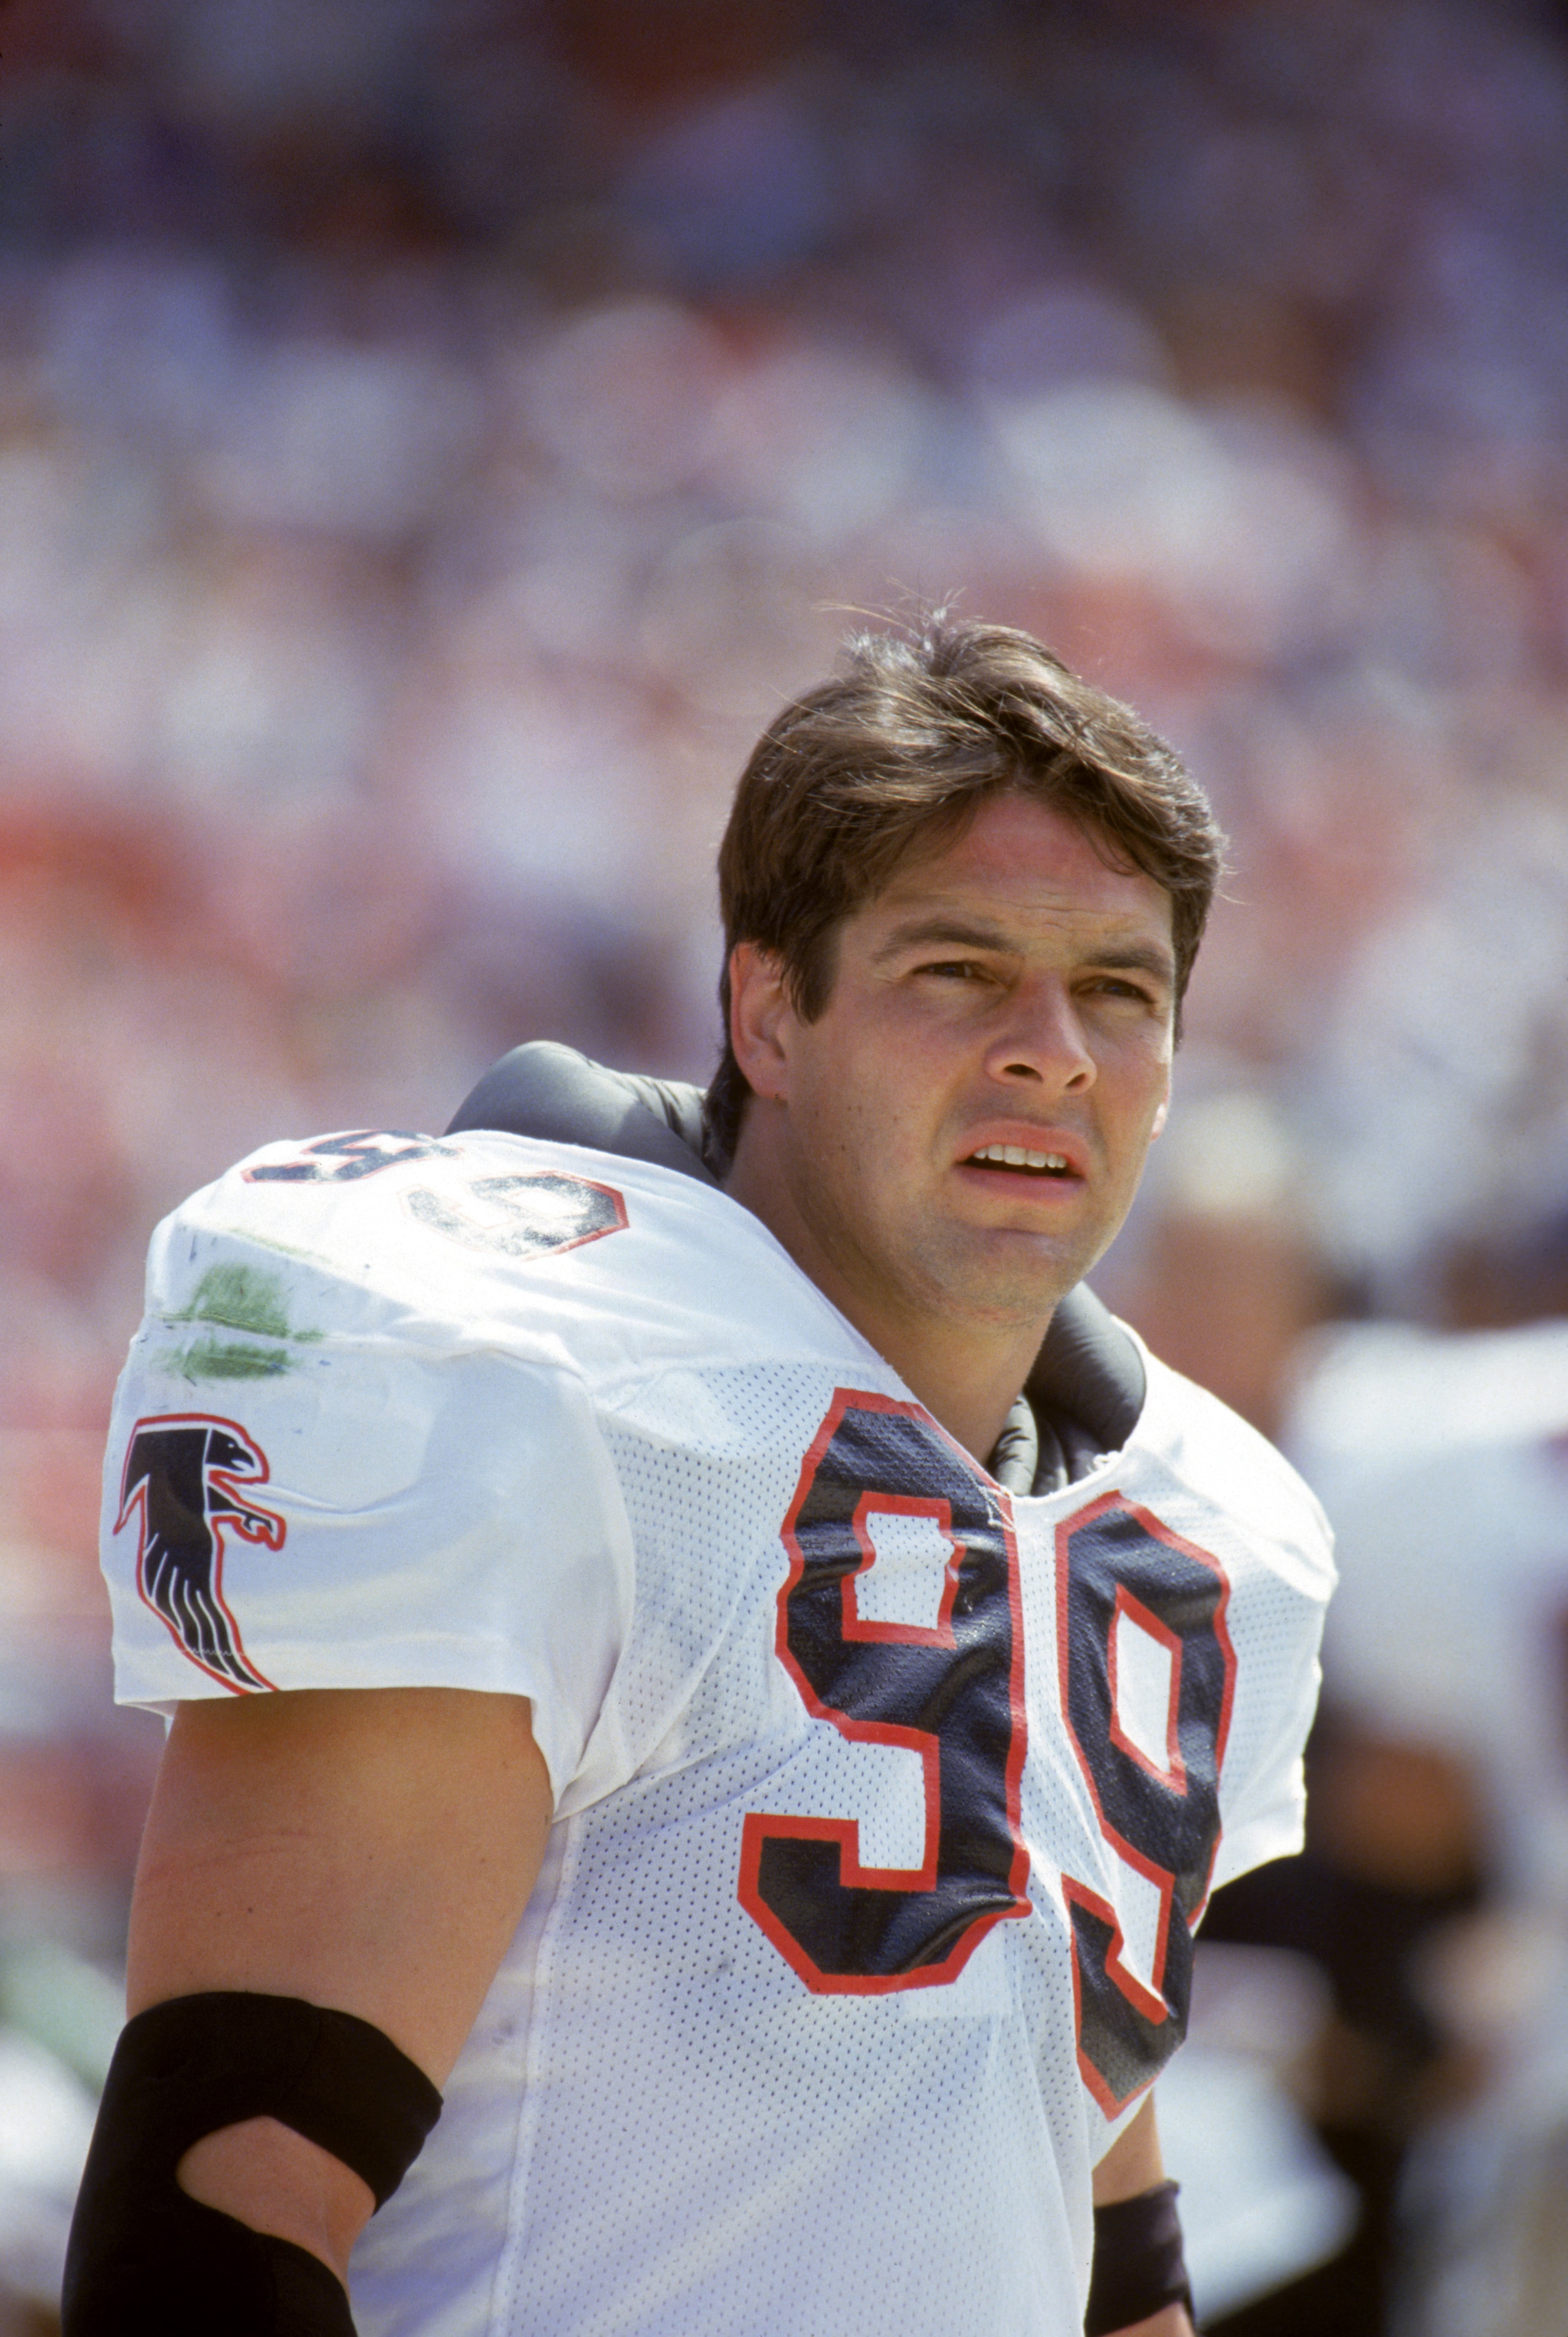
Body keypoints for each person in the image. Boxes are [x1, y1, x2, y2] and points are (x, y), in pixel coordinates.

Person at [64, 617, 1333, 2337]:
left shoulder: (1186, 1522)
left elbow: (1075, 2189)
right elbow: (227, 2196)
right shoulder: (548, 1390)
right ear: (768, 1015)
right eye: (955, 970)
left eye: (1119, 990)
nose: (1055, 1049)